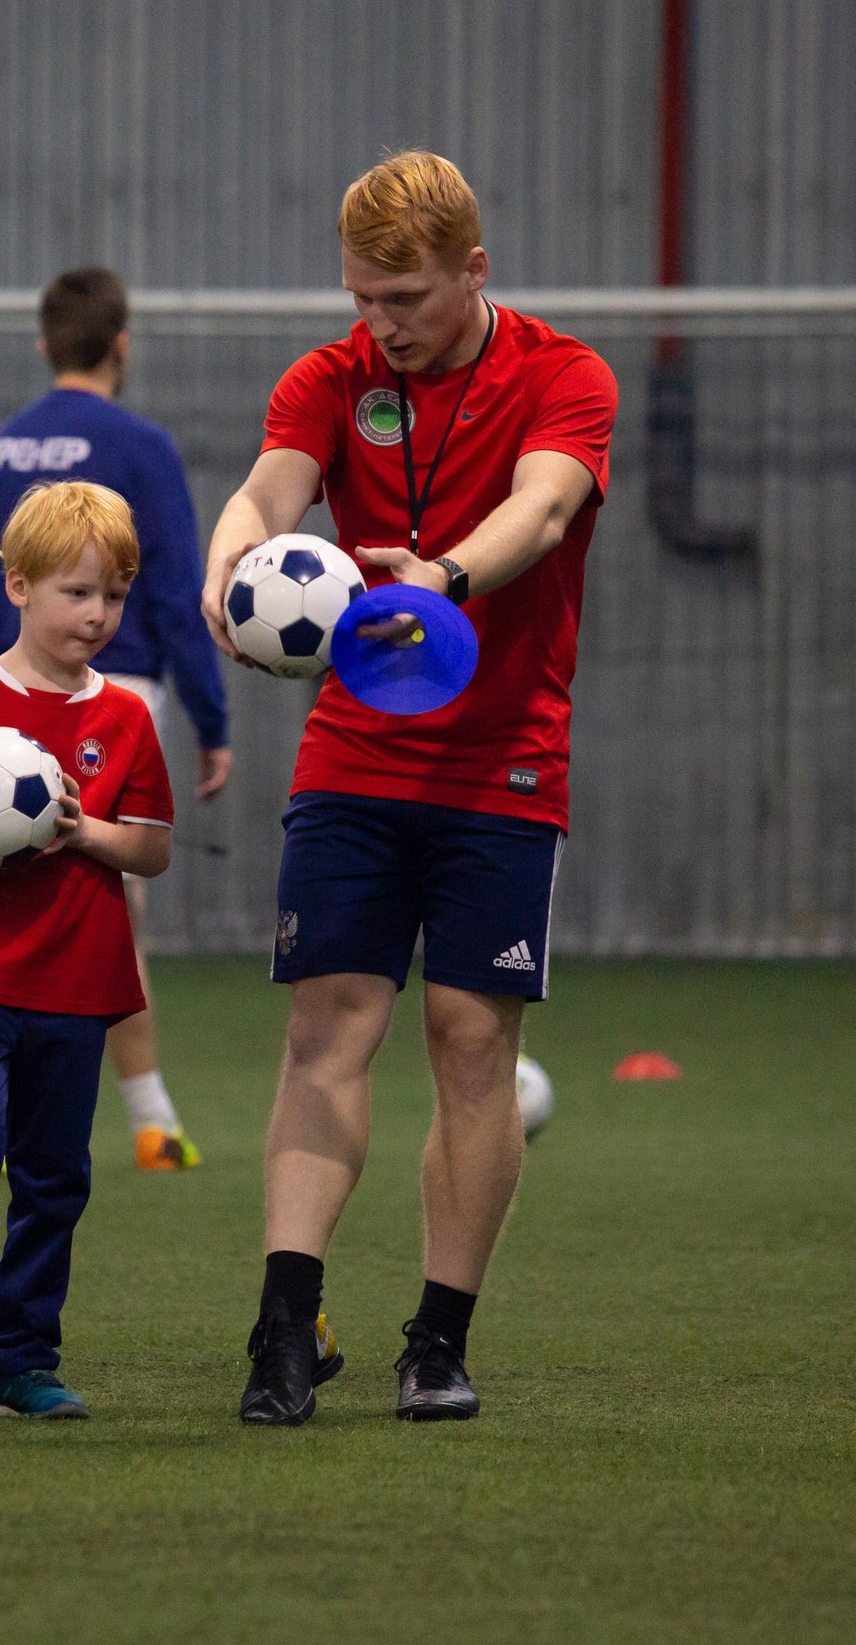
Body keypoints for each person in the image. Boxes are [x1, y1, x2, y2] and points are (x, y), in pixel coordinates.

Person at [200, 152, 617, 1426]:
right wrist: (230, 567)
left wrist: (440, 579)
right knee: (328, 1026)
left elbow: (544, 512)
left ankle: (437, 1342)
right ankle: (284, 1331)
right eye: (360, 297)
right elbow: (266, 494)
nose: (378, 323)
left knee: (472, 1043)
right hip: (355, 756)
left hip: (504, 760)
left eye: (405, 298)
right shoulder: (330, 381)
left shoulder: (564, 376)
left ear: (472, 271)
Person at [0, 480, 175, 1428]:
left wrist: (83, 831)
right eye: (77, 592)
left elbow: (153, 849)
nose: (98, 615)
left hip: (76, 978)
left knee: (56, 1173)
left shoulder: (126, 718)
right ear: (18, 585)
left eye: (114, 596)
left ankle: (24, 1360)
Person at [0, 266, 229, 1171]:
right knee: (108, 906)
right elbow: (177, 591)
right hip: (115, 695)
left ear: (45, 345)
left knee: (3, 891)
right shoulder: (142, 447)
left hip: (6, 693)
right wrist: (212, 720)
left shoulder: (1, 450)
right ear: (122, 346)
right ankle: (149, 1119)